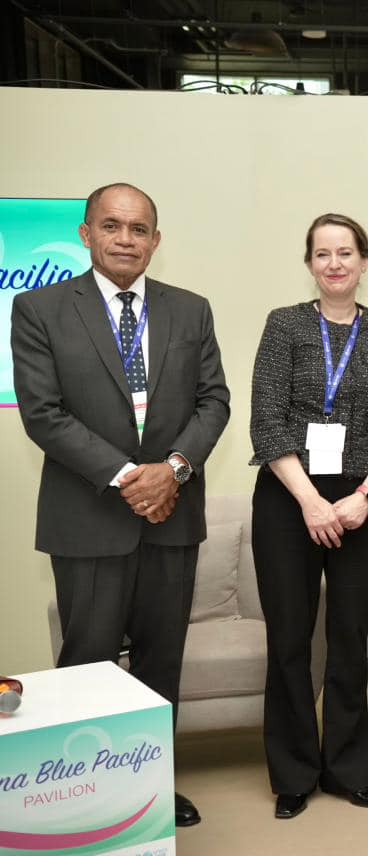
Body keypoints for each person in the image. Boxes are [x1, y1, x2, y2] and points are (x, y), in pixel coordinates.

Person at [12, 182, 231, 828]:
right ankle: (84, 803)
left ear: (156, 241)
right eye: (112, 226)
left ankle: (150, 788)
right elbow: (43, 415)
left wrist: (175, 471)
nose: (126, 239)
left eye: (139, 230)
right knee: (88, 661)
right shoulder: (40, 308)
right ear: (86, 233)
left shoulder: (190, 310)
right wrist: (133, 477)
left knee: (162, 662)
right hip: (88, 520)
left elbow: (213, 401)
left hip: (173, 521)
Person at [249, 213, 368, 819]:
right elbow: (266, 420)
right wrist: (310, 501)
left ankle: (347, 770)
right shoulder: (284, 324)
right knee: (290, 640)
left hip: (359, 502)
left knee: (349, 637)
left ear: (364, 262)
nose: (335, 263)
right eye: (323, 253)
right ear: (310, 263)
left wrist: (364, 497)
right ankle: (293, 774)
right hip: (289, 497)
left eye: (346, 252)